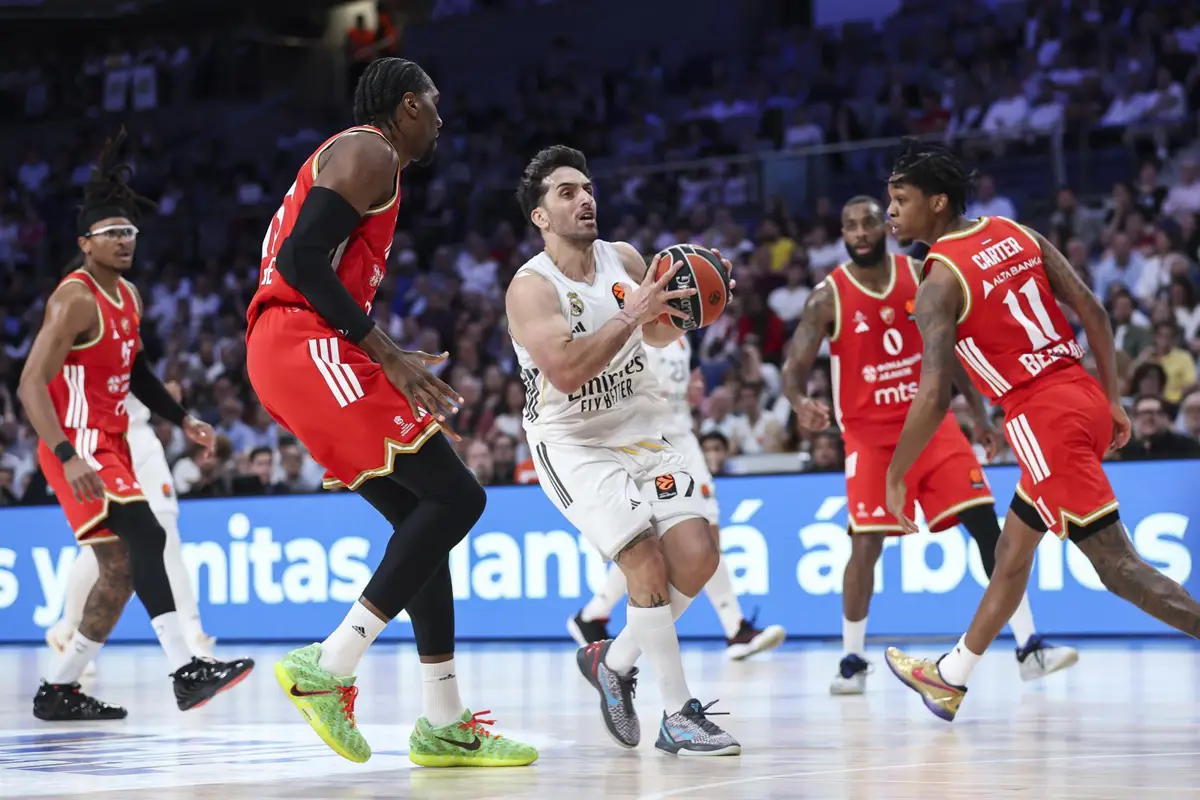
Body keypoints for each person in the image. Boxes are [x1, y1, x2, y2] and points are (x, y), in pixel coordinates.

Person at [245, 57, 536, 767]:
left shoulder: (370, 161)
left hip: (299, 348)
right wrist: (386, 351)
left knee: (422, 522)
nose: (441, 119)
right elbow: (301, 263)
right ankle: (331, 665)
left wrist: (378, 354)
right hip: (300, 339)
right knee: (459, 496)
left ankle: (444, 721)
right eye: (434, 105)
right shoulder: (369, 149)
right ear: (407, 106)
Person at [880, 139, 1200, 721]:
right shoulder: (1015, 232)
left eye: (901, 199)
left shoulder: (936, 284)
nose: (891, 212)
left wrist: (896, 474)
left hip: (1039, 415)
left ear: (938, 202)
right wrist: (1115, 400)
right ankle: (950, 677)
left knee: (1116, 565)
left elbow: (932, 394)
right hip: (1082, 391)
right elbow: (1094, 313)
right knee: (1011, 548)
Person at [782, 196, 1076, 695]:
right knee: (865, 544)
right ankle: (852, 657)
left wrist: (980, 415)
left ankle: (1030, 647)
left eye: (869, 222)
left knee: (987, 524)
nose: (860, 232)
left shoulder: (921, 271)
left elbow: (950, 351)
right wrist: (796, 401)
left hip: (931, 424)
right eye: (849, 225)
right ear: (842, 233)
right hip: (870, 436)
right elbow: (795, 365)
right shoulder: (825, 297)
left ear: (884, 226)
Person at [506, 145, 741, 756]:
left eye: (587, 188)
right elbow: (563, 370)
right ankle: (679, 713)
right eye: (566, 192)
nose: (585, 199)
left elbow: (658, 328)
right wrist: (631, 312)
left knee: (698, 555)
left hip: (640, 425)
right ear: (540, 216)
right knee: (644, 561)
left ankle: (613, 661)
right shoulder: (531, 289)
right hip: (573, 443)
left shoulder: (626, 258)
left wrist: (695, 304)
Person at [17, 128, 253, 721]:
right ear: (84, 242)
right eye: (112, 233)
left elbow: (136, 369)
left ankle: (59, 688)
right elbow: (28, 384)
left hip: (113, 439)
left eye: (130, 232)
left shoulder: (130, 296)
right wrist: (66, 454)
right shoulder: (73, 299)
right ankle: (185, 669)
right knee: (148, 537)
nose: (124, 241)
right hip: (80, 442)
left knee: (119, 573)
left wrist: (183, 418)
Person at [567, 333, 787, 661]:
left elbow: (691, 378)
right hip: (650, 442)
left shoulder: (684, 334)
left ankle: (593, 614)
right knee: (662, 537)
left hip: (683, 439)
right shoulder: (633, 324)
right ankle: (734, 628)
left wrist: (694, 388)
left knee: (694, 531)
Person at [46, 392, 218, 675]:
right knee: (102, 546)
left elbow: (139, 374)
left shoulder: (133, 347)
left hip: (140, 437)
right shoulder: (63, 347)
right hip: (95, 439)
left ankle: (193, 636)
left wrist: (176, 410)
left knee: (166, 535)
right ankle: (69, 629)